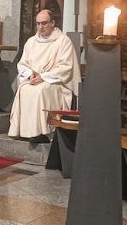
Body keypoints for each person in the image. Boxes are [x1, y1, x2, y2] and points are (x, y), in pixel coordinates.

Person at [8, 9, 81, 143]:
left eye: (44, 23)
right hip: (34, 80)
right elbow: (22, 64)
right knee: (24, 89)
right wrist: (30, 75)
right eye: (38, 24)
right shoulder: (31, 42)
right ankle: (24, 131)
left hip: (55, 82)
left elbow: (66, 67)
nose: (40, 27)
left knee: (40, 91)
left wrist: (43, 77)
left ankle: (43, 132)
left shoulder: (63, 41)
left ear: (52, 23)